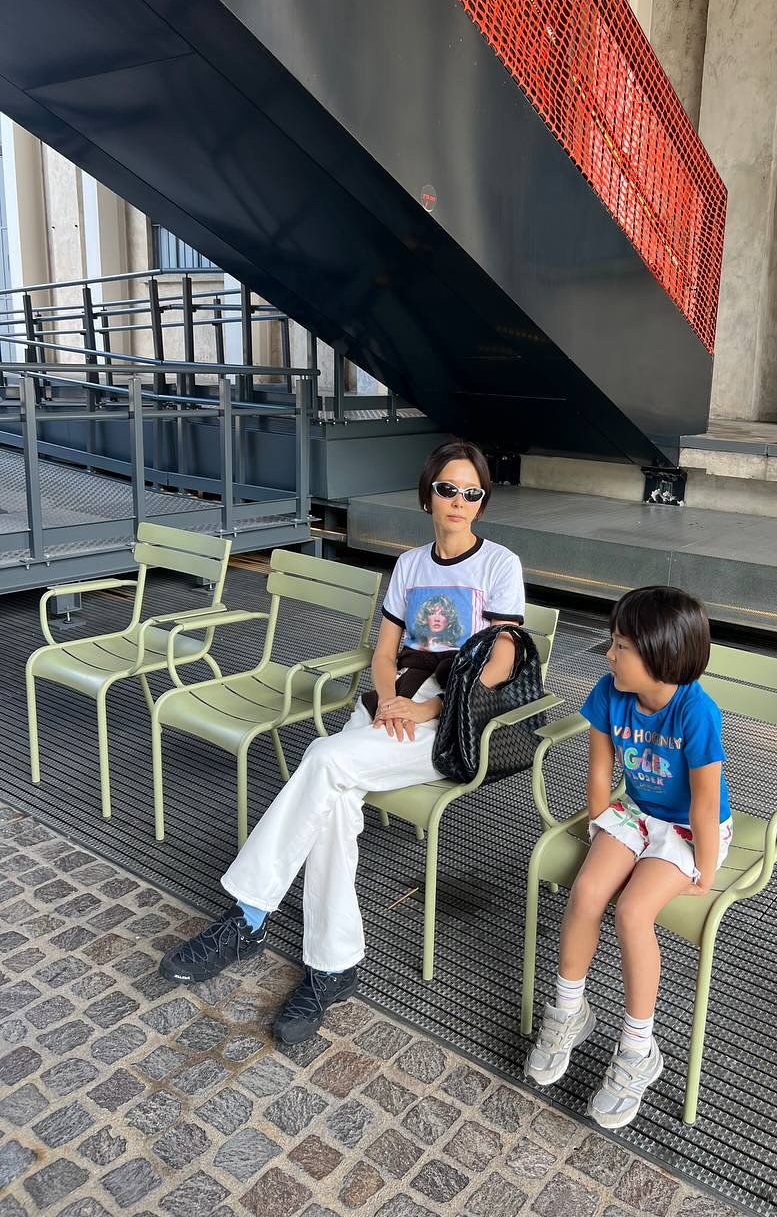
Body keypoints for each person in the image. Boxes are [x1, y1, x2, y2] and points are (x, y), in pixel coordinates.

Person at [160, 440, 525, 1043]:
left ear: (482, 502)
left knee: (324, 759)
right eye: (447, 489)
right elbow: (385, 653)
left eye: (471, 493)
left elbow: (501, 663)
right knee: (335, 801)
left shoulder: (499, 566)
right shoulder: (410, 566)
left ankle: (248, 917)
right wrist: (389, 701)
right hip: (393, 704)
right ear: (428, 495)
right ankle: (332, 968)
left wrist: (426, 707)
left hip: (451, 720)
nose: (458, 501)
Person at [524, 586, 733, 1128]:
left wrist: (706, 869)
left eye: (622, 647)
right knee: (588, 890)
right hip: (635, 812)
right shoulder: (609, 692)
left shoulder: (697, 713)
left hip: (689, 829)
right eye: (612, 642)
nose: (609, 655)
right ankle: (570, 1010)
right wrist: (604, 833)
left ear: (663, 655)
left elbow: (705, 803)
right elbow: (600, 771)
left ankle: (639, 1049)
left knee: (632, 912)